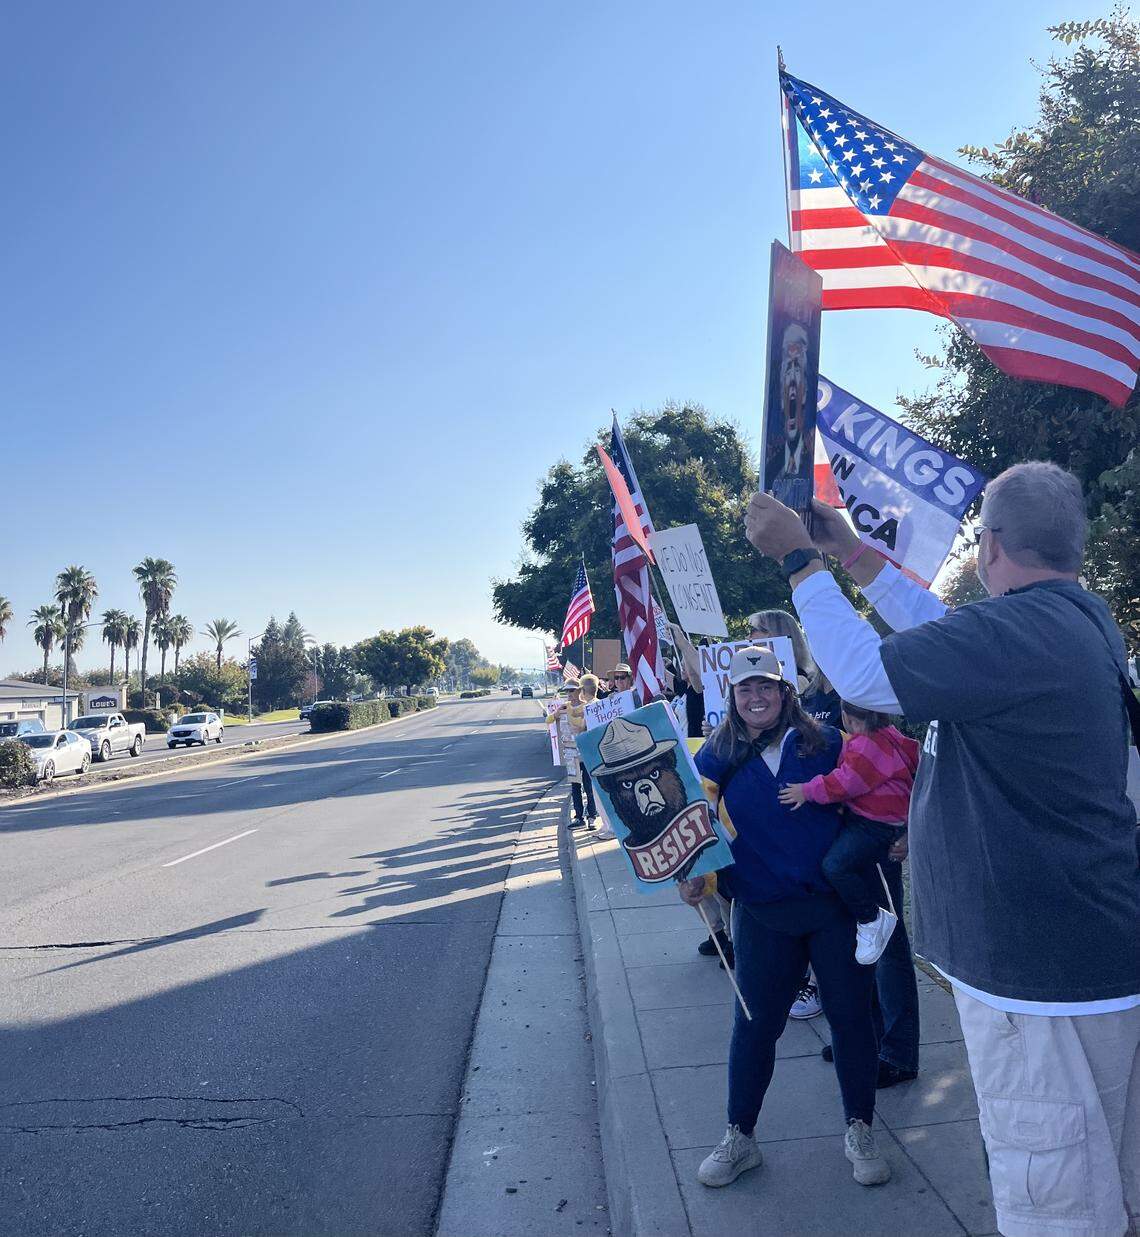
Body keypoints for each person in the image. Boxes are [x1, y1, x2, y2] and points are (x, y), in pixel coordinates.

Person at [744, 462, 1139, 1237]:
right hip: (1080, 960)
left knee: (1055, 1200)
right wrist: (859, 558)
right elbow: (941, 632)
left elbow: (864, 672)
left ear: (989, 545)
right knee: (1110, 1185)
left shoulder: (1021, 632)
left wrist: (801, 563)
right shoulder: (1074, 621)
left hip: (1040, 981)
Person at [682, 646, 890, 1190]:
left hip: (833, 910)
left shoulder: (825, 743)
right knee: (755, 1028)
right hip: (762, 912)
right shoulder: (713, 756)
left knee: (851, 1020)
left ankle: (860, 1128)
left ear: (785, 693)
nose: (756, 697)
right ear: (731, 695)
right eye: (746, 689)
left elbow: (882, 782)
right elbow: (693, 830)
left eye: (766, 687)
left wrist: (899, 832)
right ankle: (740, 1136)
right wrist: (694, 880)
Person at [748, 608, 838, 1020]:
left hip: (822, 806)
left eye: (758, 633)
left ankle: (823, 986)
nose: (751, 639)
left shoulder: (822, 684)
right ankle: (800, 980)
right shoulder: (756, 698)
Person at [779, 702, 919, 966]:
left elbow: (844, 783)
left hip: (874, 825)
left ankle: (870, 918)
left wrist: (806, 791)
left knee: (835, 866)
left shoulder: (866, 745)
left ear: (846, 716)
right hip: (888, 822)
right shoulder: (889, 735)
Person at [550, 683, 597, 830]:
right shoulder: (564, 707)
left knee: (589, 786)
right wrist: (556, 714)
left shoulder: (587, 706)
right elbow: (549, 720)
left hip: (586, 752)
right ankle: (579, 817)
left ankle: (592, 816)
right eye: (567, 691)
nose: (569, 693)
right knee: (575, 786)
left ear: (579, 690)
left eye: (572, 690)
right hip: (571, 753)